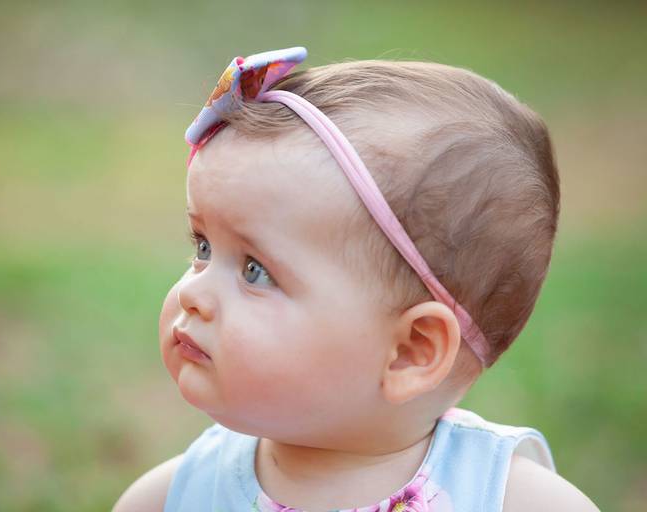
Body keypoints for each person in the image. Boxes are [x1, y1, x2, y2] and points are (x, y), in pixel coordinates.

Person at [114, 47, 599, 511]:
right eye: (203, 247)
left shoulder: (510, 501)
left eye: (255, 271)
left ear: (411, 350)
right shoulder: (171, 499)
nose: (193, 293)